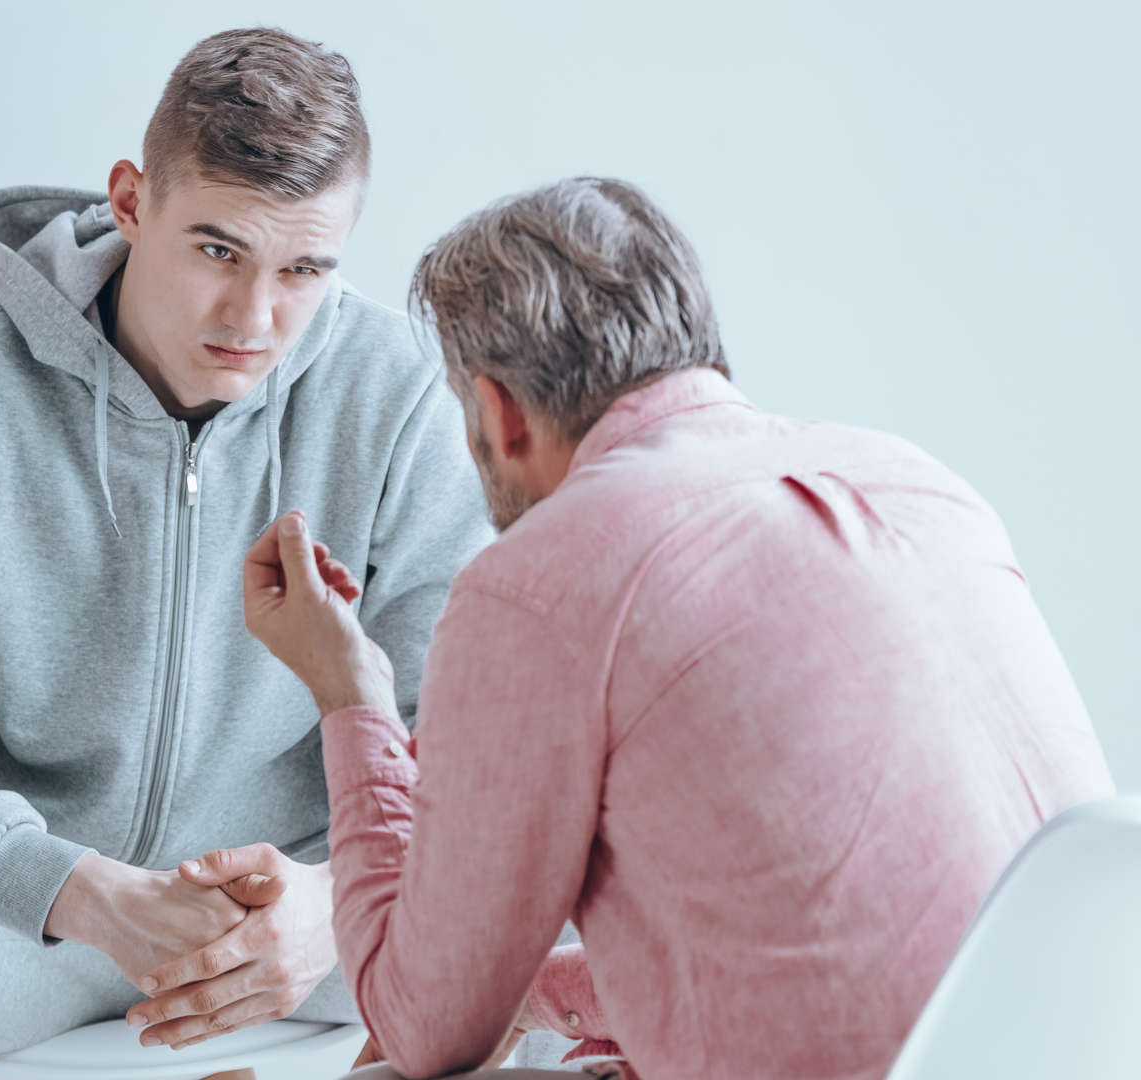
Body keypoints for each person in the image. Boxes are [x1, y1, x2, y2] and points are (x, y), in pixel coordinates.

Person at [0, 28, 503, 1079]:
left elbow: (467, 744)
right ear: (131, 202)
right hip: (19, 913)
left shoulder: (393, 393)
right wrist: (74, 889)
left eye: (304, 268)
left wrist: (334, 901)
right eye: (218, 250)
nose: (255, 319)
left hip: (296, 922)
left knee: (598, 921)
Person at [202, 176, 1116, 1079]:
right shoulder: (921, 483)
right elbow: (858, 957)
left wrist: (347, 691)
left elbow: (425, 1026)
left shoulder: (541, 581)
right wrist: (536, 995)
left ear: (500, 412)